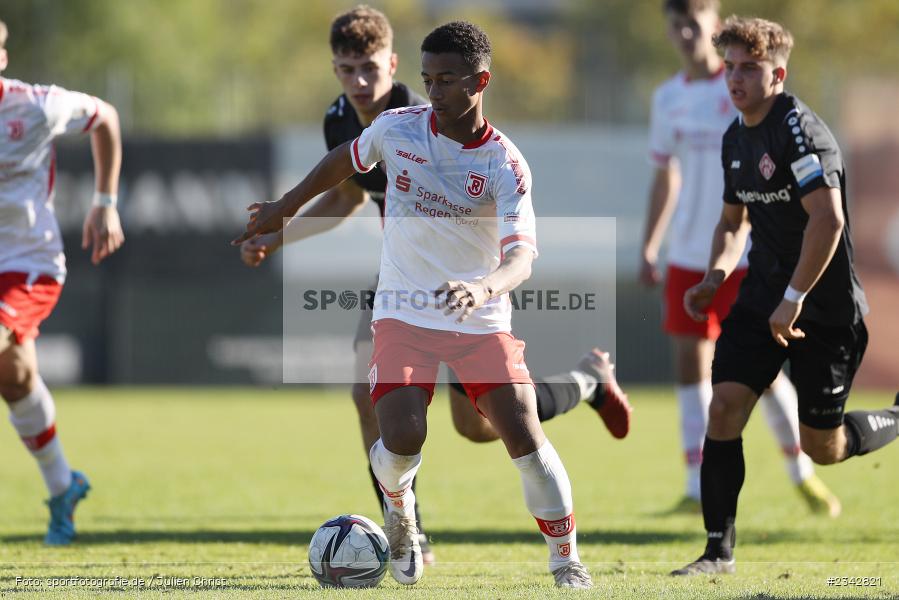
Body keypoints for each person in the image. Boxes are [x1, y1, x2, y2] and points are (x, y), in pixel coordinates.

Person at [241, 5, 631, 566]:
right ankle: (404, 529)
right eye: (345, 70)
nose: (357, 82)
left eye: (368, 69)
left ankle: (586, 386)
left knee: (485, 428)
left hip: (471, 302)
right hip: (402, 290)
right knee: (380, 411)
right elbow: (347, 182)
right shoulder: (372, 126)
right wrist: (281, 220)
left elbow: (522, 257)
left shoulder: (495, 157)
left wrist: (483, 288)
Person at [672, 16, 899, 575]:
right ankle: (717, 554)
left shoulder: (800, 132)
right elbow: (732, 221)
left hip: (822, 309)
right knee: (723, 407)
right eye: (729, 67)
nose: (735, 78)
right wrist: (715, 276)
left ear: (778, 73)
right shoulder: (736, 136)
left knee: (823, 447)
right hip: (761, 298)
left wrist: (795, 297)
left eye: (749, 68)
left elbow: (829, 221)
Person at [640, 0, 839, 516]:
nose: (685, 32)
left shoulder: (744, 88)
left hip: (754, 254)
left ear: (713, 22)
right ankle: (693, 482)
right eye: (677, 23)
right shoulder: (666, 99)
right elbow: (666, 174)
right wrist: (650, 243)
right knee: (691, 365)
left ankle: (802, 472)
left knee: (762, 373)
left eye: (694, 21)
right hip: (693, 248)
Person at [0, 19, 124, 545]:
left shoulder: (34, 105)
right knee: (16, 377)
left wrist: (105, 202)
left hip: (27, 262)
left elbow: (106, 117)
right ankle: (63, 485)